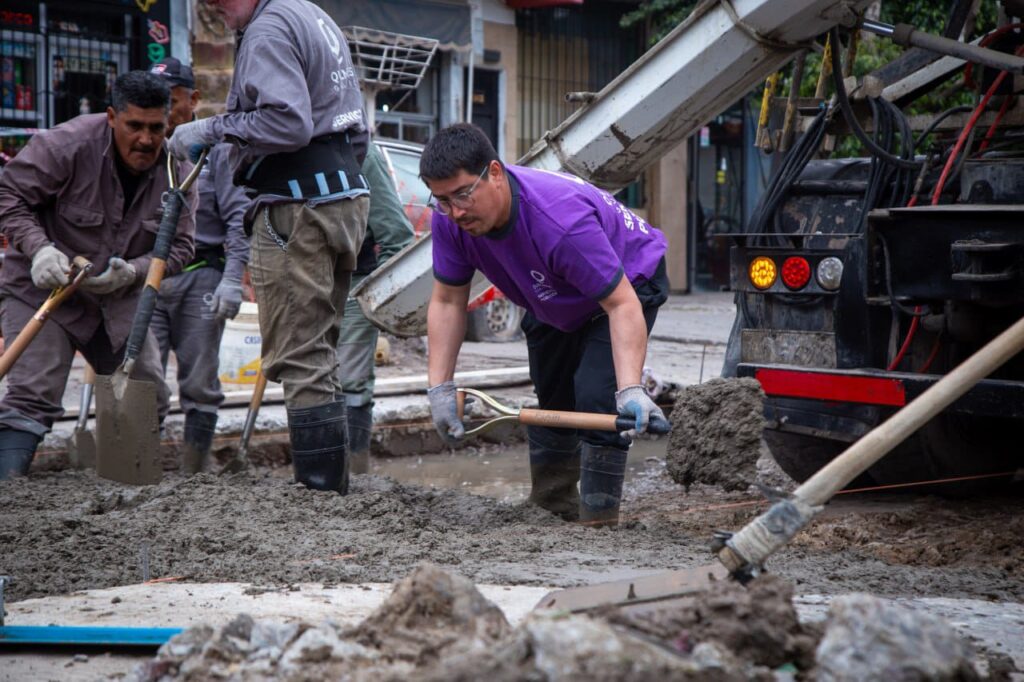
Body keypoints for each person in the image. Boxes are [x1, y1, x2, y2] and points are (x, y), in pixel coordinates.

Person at [421, 123, 669, 527]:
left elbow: (621, 304)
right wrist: (439, 387)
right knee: (553, 392)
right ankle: (552, 508)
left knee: (597, 396)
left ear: (495, 173)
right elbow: (448, 300)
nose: (456, 211)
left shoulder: (560, 222)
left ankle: (598, 521)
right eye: (443, 200)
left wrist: (631, 391)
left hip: (628, 280)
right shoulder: (449, 220)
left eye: (464, 194)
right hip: (553, 293)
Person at [167, 0, 369, 494]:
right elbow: (356, 128)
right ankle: (333, 486)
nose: (212, 7)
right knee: (319, 350)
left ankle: (321, 491)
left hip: (298, 203)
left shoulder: (267, 30)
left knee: (301, 356)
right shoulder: (314, 16)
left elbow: (289, 122)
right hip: (342, 196)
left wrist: (211, 129)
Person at [0, 71, 196, 479]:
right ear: (111, 117)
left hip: (117, 302)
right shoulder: (67, 145)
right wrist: (39, 249)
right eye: (134, 127)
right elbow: (8, 194)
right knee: (33, 392)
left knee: (146, 392)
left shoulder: (178, 172)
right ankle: (8, 492)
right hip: (45, 292)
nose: (145, 140)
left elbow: (181, 246)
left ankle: (127, 487)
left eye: (156, 129)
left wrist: (134, 273)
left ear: (168, 124)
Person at [149, 57, 251, 473]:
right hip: (146, 278)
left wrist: (231, 279)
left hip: (200, 276)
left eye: (170, 102)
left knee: (199, 383)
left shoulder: (216, 150)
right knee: (143, 380)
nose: (161, 114)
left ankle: (194, 474)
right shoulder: (141, 145)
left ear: (192, 100)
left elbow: (238, 218)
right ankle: (140, 469)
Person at [336, 143, 415, 473]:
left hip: (354, 282)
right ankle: (313, 480)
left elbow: (397, 235)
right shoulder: (284, 147)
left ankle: (354, 478)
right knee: (306, 379)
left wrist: (375, 297)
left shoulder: (359, 154)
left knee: (350, 383)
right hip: (302, 285)